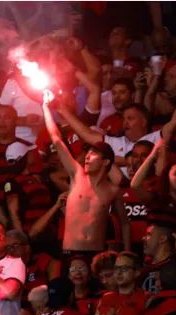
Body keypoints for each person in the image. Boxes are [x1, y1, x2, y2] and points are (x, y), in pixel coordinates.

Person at [41, 89, 130, 255]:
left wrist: (126, 252)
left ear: (105, 162)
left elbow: (124, 223)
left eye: (93, 154)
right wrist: (46, 108)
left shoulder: (113, 190)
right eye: (87, 153)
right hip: (70, 251)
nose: (87, 157)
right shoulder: (77, 175)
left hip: (97, 253)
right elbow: (56, 139)